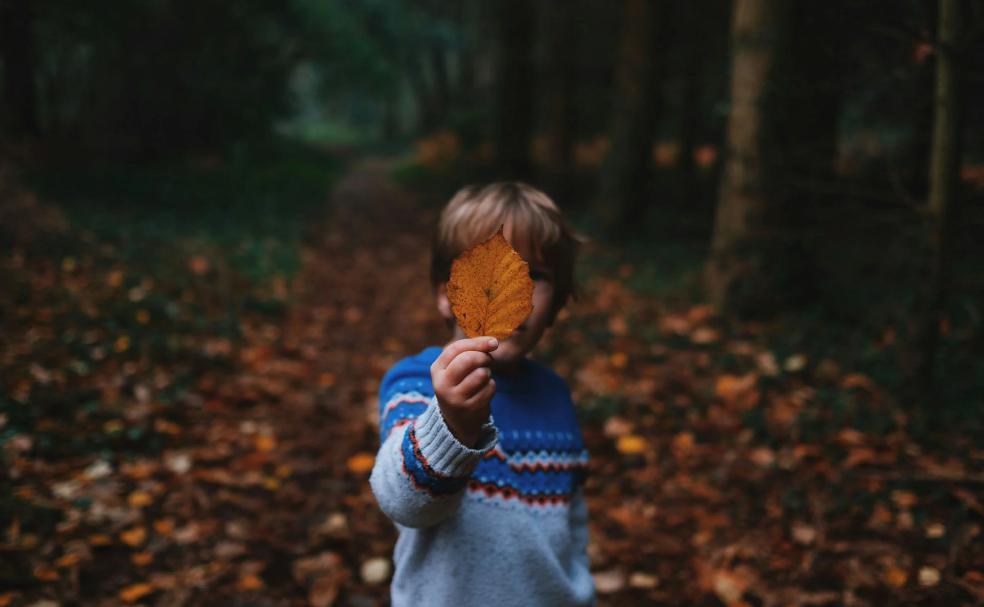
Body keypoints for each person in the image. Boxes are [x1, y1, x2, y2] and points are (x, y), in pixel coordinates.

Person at [369, 182, 594, 606]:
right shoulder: (418, 382)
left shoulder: (555, 396)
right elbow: (404, 503)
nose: (514, 291)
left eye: (536, 276)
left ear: (558, 304)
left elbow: (573, 523)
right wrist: (452, 424)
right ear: (445, 294)